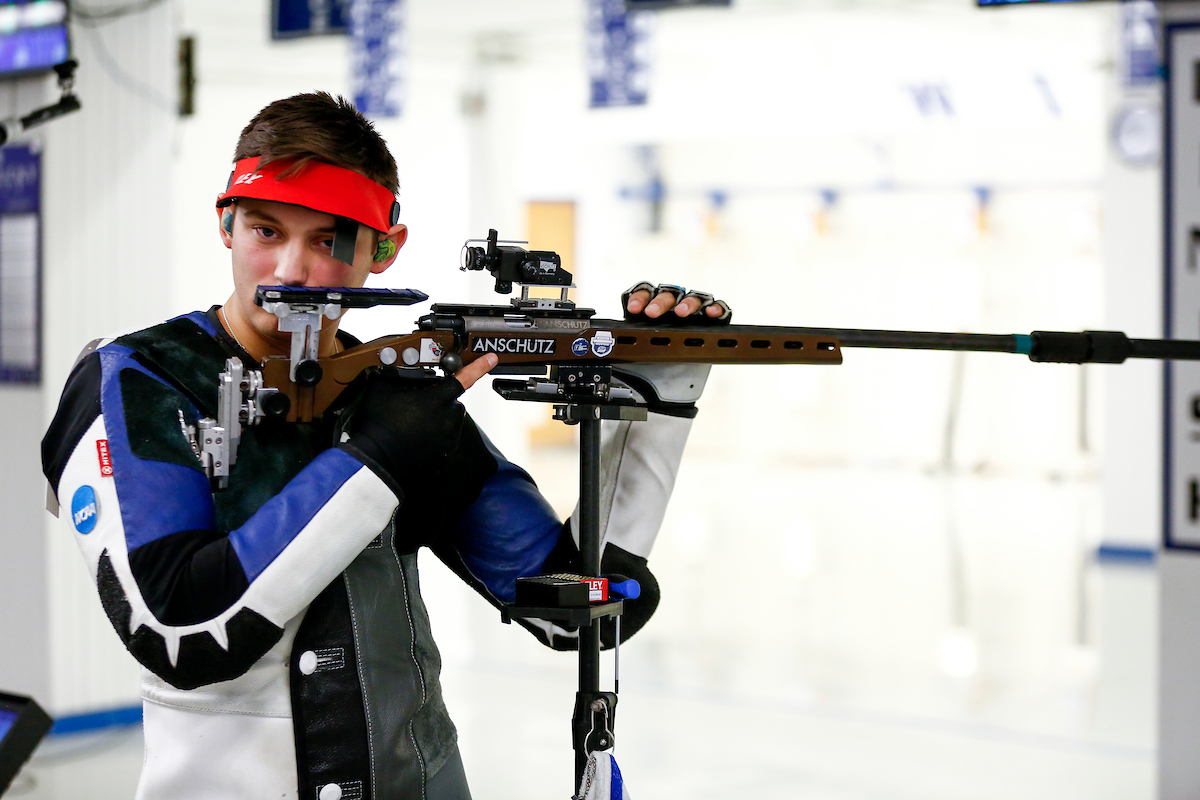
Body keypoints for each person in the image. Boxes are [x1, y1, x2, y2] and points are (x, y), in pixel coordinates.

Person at [41, 92, 726, 800]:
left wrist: (657, 402)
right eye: (265, 230)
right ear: (226, 224)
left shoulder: (392, 394)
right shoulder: (139, 378)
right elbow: (179, 630)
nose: (290, 270)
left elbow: (576, 614)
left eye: (330, 241)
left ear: (385, 250)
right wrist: (374, 462)